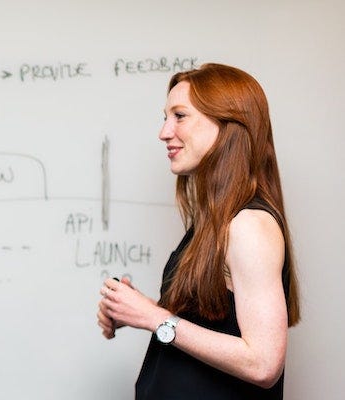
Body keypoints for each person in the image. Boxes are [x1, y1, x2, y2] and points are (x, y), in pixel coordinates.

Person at [96, 63, 300, 399]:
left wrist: (155, 317)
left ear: (228, 125)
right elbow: (212, 324)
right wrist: (137, 310)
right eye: (165, 117)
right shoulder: (213, 222)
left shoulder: (248, 225)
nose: (164, 132)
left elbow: (264, 364)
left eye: (180, 116)